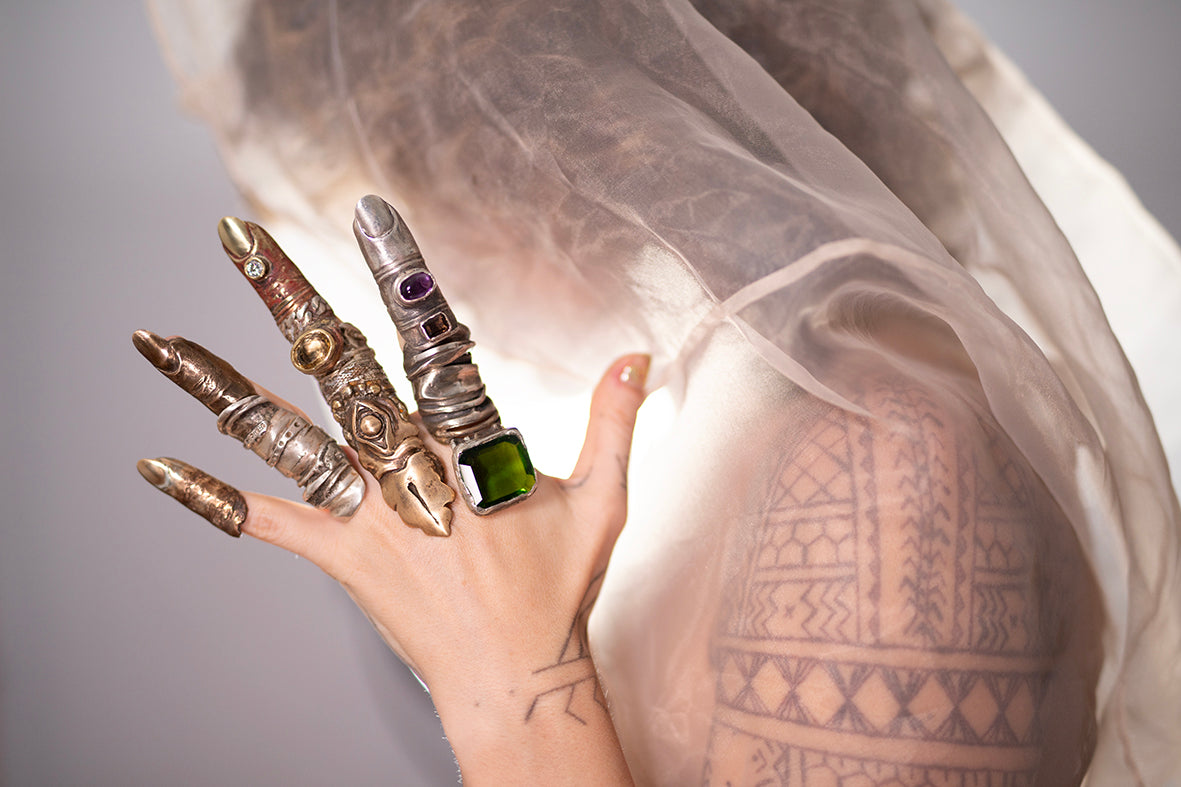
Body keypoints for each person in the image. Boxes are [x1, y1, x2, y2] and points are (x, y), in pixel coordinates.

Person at [142, 0, 1181, 783]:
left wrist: (518, 692)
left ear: (524, 146)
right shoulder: (685, 391)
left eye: (389, 157)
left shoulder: (899, 486)